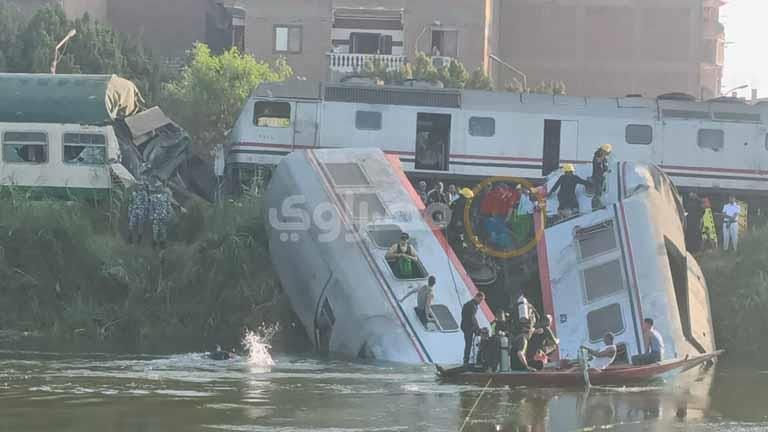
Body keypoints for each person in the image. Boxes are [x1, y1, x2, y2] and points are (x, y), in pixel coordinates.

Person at [461, 292, 485, 364]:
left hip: (465, 326)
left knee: (468, 344)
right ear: (477, 297)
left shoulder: (468, 304)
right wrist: (477, 329)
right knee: (468, 344)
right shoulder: (472, 305)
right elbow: (472, 319)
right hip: (469, 327)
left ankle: (466, 360)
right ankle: (466, 361)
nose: (480, 302)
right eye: (480, 300)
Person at [148, 177, 172, 249]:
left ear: (162, 187)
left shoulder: (165, 196)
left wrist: (168, 213)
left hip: (163, 215)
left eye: (160, 187)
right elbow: (151, 207)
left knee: (163, 229)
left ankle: (163, 243)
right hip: (156, 216)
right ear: (156, 188)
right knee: (155, 230)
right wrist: (151, 216)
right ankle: (154, 243)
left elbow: (168, 205)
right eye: (158, 187)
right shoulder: (153, 197)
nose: (159, 188)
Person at [127, 178, 149, 244]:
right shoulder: (133, 193)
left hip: (141, 211)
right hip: (134, 210)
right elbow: (130, 202)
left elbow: (146, 204)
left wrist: (145, 212)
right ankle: (130, 238)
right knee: (131, 224)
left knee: (140, 225)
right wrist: (129, 211)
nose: (140, 186)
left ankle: (139, 239)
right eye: (139, 185)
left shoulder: (144, 194)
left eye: (141, 185)